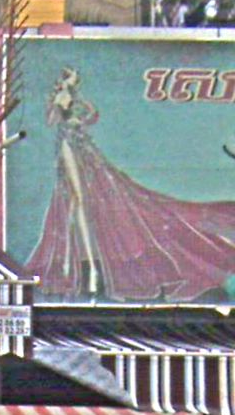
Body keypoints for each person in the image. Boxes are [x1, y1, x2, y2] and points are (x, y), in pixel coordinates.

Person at [25, 68, 235, 302]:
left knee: (90, 198)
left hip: (83, 147)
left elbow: (92, 116)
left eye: (75, 79)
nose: (74, 82)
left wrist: (77, 109)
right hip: (68, 146)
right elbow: (53, 121)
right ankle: (76, 264)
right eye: (71, 78)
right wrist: (60, 105)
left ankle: (83, 267)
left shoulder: (75, 99)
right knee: (75, 199)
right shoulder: (61, 99)